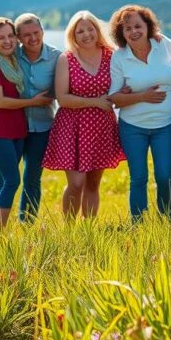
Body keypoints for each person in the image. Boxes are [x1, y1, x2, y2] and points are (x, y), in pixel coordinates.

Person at [42, 11, 125, 218]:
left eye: (90, 29)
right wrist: (95, 102)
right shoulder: (67, 58)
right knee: (77, 183)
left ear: (98, 31)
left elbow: (123, 85)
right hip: (72, 126)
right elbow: (62, 98)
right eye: (80, 31)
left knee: (93, 183)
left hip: (101, 126)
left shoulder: (112, 55)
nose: (86, 34)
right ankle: (69, 228)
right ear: (73, 35)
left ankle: (88, 229)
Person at [0, 13, 62, 222]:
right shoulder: (10, 54)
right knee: (7, 179)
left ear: (42, 31)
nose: (32, 38)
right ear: (19, 37)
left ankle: (26, 225)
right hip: (12, 127)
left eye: (36, 33)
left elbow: (66, 86)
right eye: (26, 35)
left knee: (32, 179)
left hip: (41, 126)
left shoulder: (57, 58)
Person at [108, 5, 171, 222]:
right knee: (138, 178)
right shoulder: (119, 57)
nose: (134, 31)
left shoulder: (164, 45)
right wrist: (142, 96)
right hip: (133, 128)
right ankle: (138, 225)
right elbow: (115, 98)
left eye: (138, 26)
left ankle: (165, 222)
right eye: (128, 28)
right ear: (121, 33)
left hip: (165, 126)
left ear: (148, 26)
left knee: (164, 176)